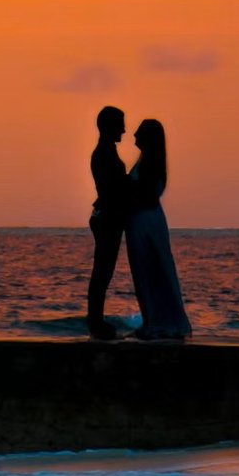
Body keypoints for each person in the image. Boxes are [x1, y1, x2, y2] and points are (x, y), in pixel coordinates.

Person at [126, 118, 191, 340]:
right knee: (146, 271)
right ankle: (153, 320)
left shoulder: (150, 167)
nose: (133, 134)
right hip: (143, 221)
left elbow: (146, 195)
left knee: (151, 269)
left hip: (145, 223)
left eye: (139, 132)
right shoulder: (146, 163)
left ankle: (158, 322)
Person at [85, 105, 131, 340]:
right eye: (120, 124)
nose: (124, 129)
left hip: (108, 216)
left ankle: (96, 320)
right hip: (106, 217)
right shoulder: (103, 153)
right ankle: (95, 322)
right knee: (102, 271)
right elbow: (111, 189)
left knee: (103, 271)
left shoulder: (107, 151)